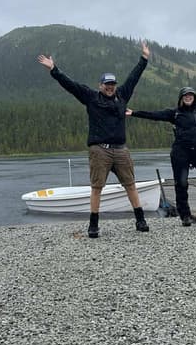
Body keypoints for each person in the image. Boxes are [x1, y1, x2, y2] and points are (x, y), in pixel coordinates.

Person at [36, 42, 151, 239]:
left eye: (112, 84)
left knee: (130, 184)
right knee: (97, 188)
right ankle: (94, 225)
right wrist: (54, 70)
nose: (110, 87)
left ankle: (140, 220)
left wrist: (144, 59)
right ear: (101, 85)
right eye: (107, 85)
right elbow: (71, 86)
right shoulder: (90, 97)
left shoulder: (122, 96)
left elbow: (134, 78)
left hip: (121, 149)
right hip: (100, 150)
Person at [127, 67, 196, 226]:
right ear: (181, 98)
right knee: (181, 183)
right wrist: (135, 113)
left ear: (194, 97)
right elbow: (155, 115)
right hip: (181, 153)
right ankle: (185, 216)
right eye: (185, 95)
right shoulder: (174, 113)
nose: (188, 97)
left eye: (190, 95)